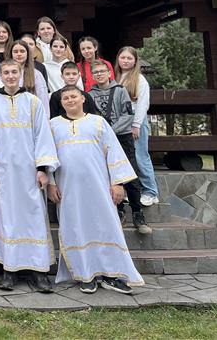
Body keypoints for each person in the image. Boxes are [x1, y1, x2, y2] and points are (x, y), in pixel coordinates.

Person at [48, 85, 144, 294]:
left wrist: (117, 183)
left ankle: (111, 274)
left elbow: (114, 153)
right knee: (76, 227)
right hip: (68, 189)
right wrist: (51, 183)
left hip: (99, 187)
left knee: (106, 226)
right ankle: (85, 275)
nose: (70, 100)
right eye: (65, 98)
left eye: (74, 96)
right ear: (61, 102)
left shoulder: (98, 122)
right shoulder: (53, 125)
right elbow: (48, 157)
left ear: (83, 98)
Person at [0, 59, 59, 293]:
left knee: (34, 217)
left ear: (21, 74)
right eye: (7, 72)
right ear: (0, 75)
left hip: (30, 172)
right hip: (4, 171)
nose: (11, 76)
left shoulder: (32, 102)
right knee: (7, 219)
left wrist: (43, 169)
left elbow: (42, 136)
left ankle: (39, 271)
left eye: (15, 72)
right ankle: (9, 270)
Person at [89, 60, 152, 235]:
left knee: (130, 174)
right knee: (108, 176)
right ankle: (119, 210)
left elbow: (127, 114)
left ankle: (137, 213)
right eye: (96, 72)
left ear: (109, 72)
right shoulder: (89, 95)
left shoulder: (120, 90)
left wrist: (111, 130)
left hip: (122, 137)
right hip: (102, 141)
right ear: (92, 75)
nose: (99, 74)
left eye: (102, 71)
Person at [116, 46, 159, 206]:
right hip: (122, 122)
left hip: (136, 122)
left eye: (129, 58)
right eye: (123, 57)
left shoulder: (139, 79)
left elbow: (142, 104)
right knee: (127, 158)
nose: (125, 61)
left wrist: (136, 125)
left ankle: (151, 191)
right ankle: (132, 189)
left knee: (141, 156)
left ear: (135, 61)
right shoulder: (118, 78)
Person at [10, 40, 51, 116]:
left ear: (27, 53)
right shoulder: (5, 74)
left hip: (31, 116)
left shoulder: (36, 74)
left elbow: (43, 99)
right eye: (15, 51)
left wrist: (46, 118)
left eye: (22, 51)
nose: (19, 54)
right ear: (11, 54)